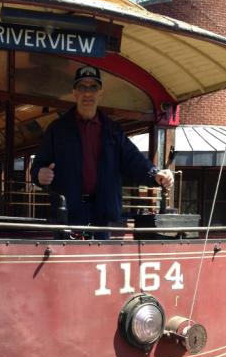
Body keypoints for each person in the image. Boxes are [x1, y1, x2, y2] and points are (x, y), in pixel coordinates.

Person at [30, 65, 173, 238]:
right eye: (82, 87)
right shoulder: (57, 130)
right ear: (74, 92)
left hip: (101, 214)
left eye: (93, 87)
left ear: (100, 92)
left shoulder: (113, 131)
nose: (88, 93)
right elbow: (38, 167)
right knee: (68, 264)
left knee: (99, 262)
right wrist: (39, 174)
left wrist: (155, 174)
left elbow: (133, 160)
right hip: (68, 214)